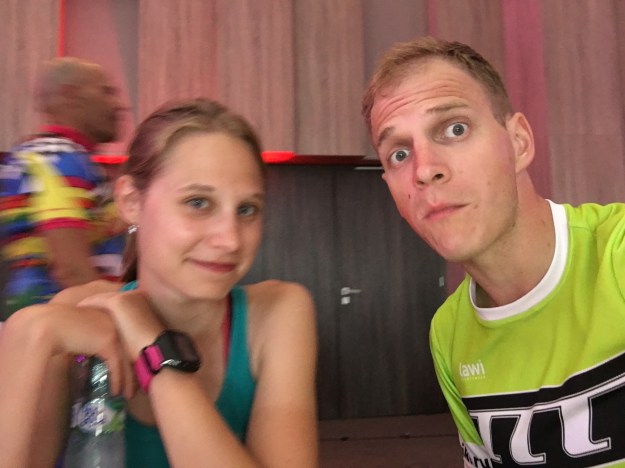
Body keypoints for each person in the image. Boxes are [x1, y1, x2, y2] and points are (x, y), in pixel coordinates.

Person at [0, 98, 319, 467]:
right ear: (131, 201)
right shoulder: (76, 315)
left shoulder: (276, 313)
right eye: (198, 202)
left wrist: (153, 344)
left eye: (247, 209)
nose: (230, 240)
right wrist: (32, 331)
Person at [362, 36, 625, 467]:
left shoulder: (617, 254)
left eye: (455, 129)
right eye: (399, 153)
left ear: (518, 142)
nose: (424, 170)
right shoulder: (449, 333)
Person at [0, 57, 126, 317]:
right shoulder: (60, 159)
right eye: (106, 92)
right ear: (70, 95)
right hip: (66, 323)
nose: (118, 105)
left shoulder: (36, 154)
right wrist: (127, 314)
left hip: (38, 318)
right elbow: (71, 269)